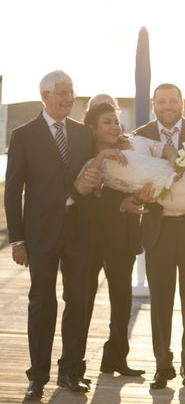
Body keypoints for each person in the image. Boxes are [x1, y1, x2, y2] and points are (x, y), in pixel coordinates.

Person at [4, 70, 94, 400]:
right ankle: (37, 376)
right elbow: (12, 192)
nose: (69, 97)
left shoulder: (83, 134)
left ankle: (71, 371)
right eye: (62, 92)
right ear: (45, 96)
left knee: (78, 302)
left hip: (79, 232)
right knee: (42, 303)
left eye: (71, 91)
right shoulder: (24, 135)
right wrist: (17, 239)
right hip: (39, 234)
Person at [134, 83, 185, 389]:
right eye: (162, 101)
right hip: (159, 229)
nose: (167, 106)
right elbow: (135, 176)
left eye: (173, 100)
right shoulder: (140, 135)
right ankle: (162, 364)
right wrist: (139, 196)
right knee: (160, 302)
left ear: (182, 103)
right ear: (154, 104)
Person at [74, 101, 152, 378]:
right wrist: (120, 201)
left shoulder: (128, 151)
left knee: (122, 299)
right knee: (83, 300)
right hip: (90, 236)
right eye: (107, 122)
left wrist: (134, 199)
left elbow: (137, 184)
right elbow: (85, 195)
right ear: (92, 127)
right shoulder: (81, 152)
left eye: (116, 122)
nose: (113, 127)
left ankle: (116, 359)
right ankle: (75, 363)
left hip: (122, 234)